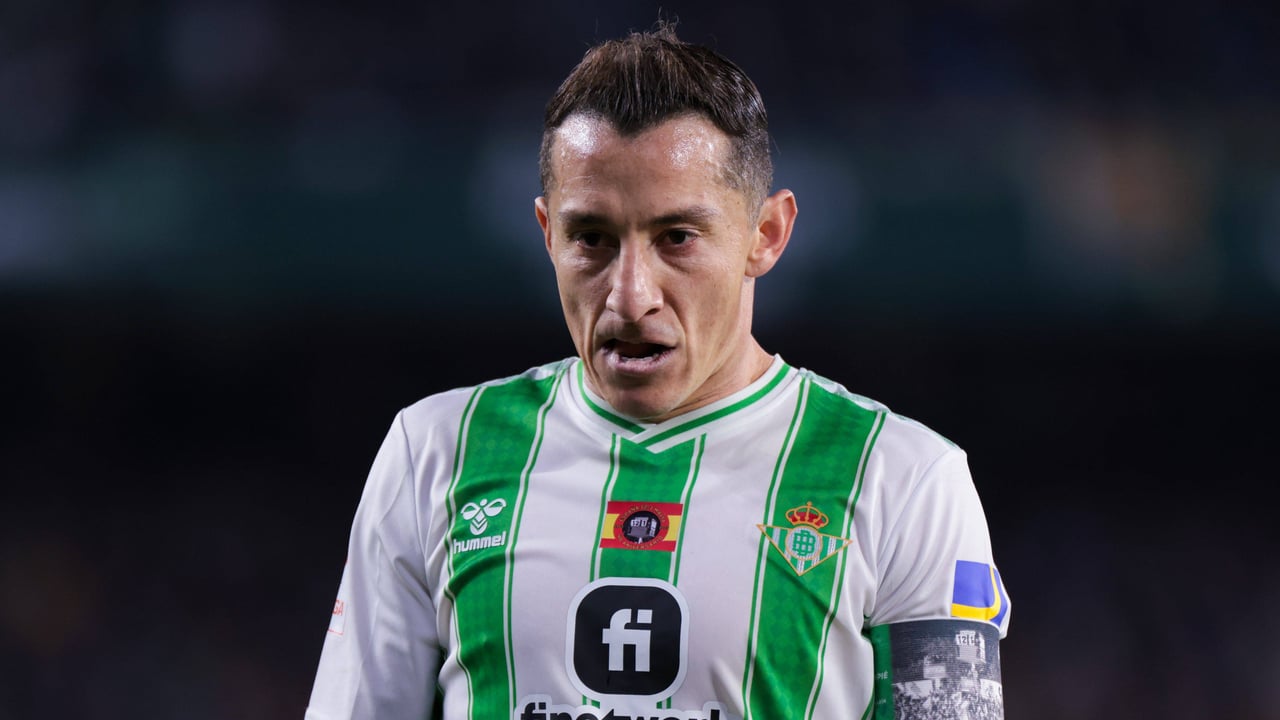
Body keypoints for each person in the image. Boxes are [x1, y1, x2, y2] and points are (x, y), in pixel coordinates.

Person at [305, 23, 1010, 720]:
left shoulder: (906, 481)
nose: (630, 295)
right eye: (591, 238)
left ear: (766, 235)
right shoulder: (435, 453)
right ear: (547, 233)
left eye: (677, 237)